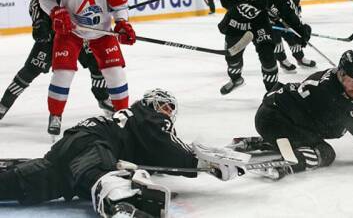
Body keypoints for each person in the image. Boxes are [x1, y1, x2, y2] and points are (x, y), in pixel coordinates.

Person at [0, 89, 241, 217]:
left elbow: (155, 156)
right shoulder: (147, 116)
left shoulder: (130, 124)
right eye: (163, 106)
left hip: (69, 150)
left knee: (22, 182)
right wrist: (198, 160)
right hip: (94, 145)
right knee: (104, 175)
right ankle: (121, 204)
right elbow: (166, 146)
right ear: (151, 103)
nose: (166, 112)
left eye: (170, 109)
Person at [38, 0, 136, 135]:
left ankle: (122, 114)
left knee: (115, 72)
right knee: (63, 73)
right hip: (70, 30)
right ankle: (55, 115)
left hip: (101, 31)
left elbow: (120, 6)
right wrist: (55, 11)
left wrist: (122, 24)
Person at [255, 50, 353, 177]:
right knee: (325, 153)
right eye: (351, 82)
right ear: (341, 74)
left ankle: (276, 140)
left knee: (321, 134)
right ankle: (284, 166)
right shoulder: (329, 92)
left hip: (285, 114)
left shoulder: (351, 84)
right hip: (273, 119)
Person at [0, 0, 113, 120]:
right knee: (29, 72)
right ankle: (3, 105)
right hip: (51, 42)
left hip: (77, 37)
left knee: (97, 64)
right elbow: (39, 28)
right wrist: (41, 26)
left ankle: (103, 99)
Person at [218, 0, 311, 95]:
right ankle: (236, 79)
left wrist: (299, 28)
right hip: (236, 24)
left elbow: (285, 8)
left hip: (259, 24)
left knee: (268, 57)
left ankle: (272, 93)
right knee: (233, 61)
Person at [271, 0, 316, 72]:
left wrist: (299, 27)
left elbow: (295, 12)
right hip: (271, 22)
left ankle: (300, 58)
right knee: (276, 42)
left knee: (293, 38)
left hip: (285, 22)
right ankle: (282, 61)